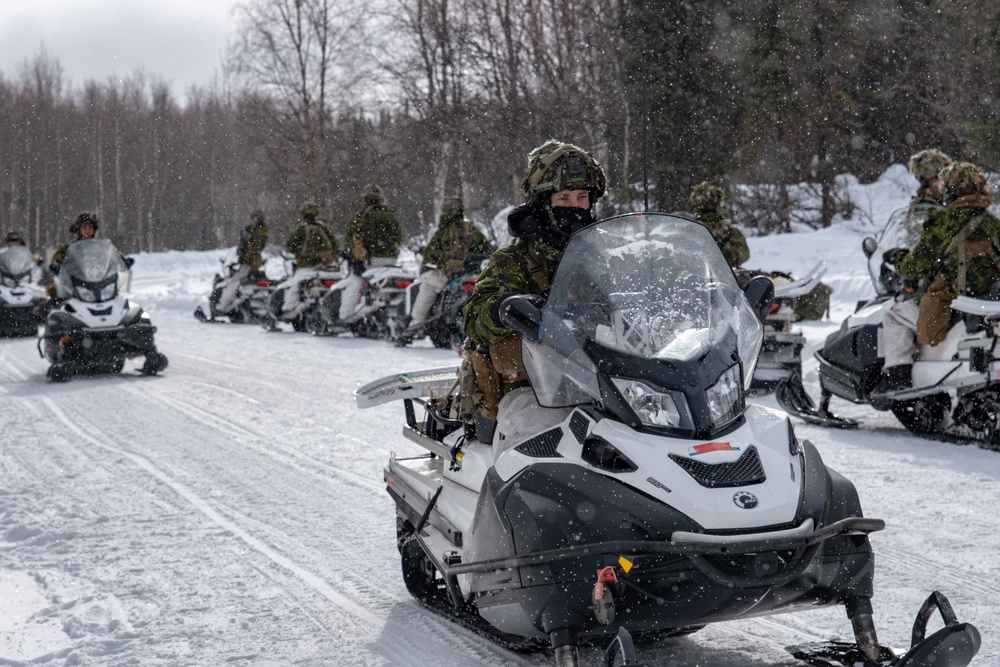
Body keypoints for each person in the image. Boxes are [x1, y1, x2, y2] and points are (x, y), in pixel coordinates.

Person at [462, 139, 606, 454]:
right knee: (539, 444)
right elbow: (474, 319)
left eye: (582, 197)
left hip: (607, 387)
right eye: (564, 197)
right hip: (532, 392)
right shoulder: (512, 261)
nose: (574, 206)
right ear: (542, 202)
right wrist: (502, 308)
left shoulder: (601, 256)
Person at [875, 161, 1000, 394]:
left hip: (951, 303)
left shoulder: (943, 223)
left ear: (951, 189)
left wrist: (898, 257)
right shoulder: (994, 224)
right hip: (988, 304)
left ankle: (898, 375)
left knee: (895, 317)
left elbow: (913, 267)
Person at [398, 196, 490, 342]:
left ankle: (415, 322)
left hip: (450, 274)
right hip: (473, 271)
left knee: (427, 287)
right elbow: (486, 247)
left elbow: (429, 255)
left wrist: (436, 258)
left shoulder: (443, 231)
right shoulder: (471, 229)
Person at [337, 184, 403, 320]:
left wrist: (351, 253)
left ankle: (345, 314)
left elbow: (351, 236)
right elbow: (399, 237)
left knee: (355, 282)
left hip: (369, 261)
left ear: (366, 199)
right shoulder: (391, 216)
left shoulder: (361, 217)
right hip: (391, 261)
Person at [269, 201, 339, 324]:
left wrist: (300, 252)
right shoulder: (324, 228)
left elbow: (290, 246)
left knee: (291, 287)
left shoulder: (302, 230)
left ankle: (287, 309)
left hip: (307, 267)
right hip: (327, 267)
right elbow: (335, 245)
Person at [214, 209, 269, 316]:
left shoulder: (259, 231)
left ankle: (222, 304)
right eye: (254, 218)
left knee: (233, 282)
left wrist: (246, 249)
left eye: (257, 218)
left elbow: (255, 246)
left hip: (250, 262)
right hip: (248, 261)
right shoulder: (253, 229)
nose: (255, 220)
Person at [684, 181, 749, 269]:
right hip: (720, 274)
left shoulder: (688, 227)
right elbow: (743, 255)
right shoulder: (728, 229)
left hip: (702, 274)